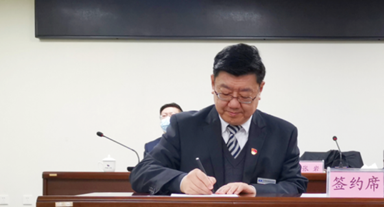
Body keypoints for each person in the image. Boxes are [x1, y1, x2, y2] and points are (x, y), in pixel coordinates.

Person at [130, 44, 308, 196]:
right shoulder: (185, 127)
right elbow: (142, 173)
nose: (233, 104)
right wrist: (181, 181)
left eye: (245, 96)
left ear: (260, 89)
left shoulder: (282, 133)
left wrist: (256, 191)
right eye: (225, 93)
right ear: (212, 83)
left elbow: (295, 184)